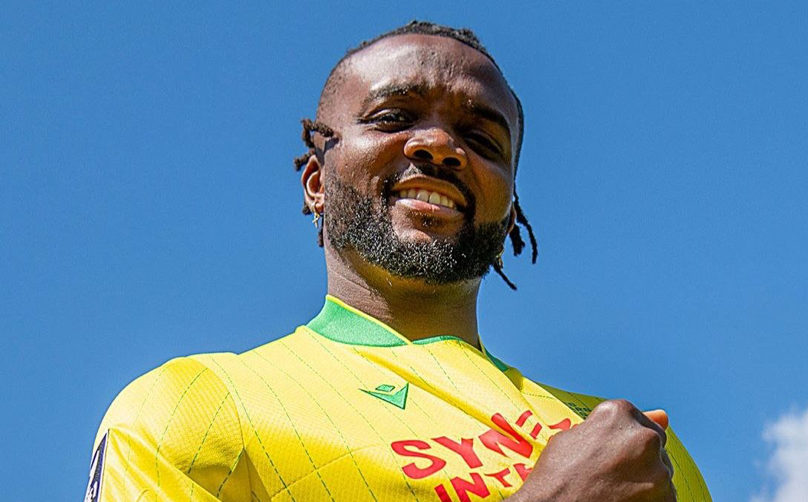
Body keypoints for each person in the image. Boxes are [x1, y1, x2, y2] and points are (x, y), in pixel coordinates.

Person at [86, 21, 711, 502]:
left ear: (508, 212)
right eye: (392, 118)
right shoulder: (193, 408)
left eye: (482, 139)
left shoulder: (637, 451)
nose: (440, 145)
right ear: (316, 182)